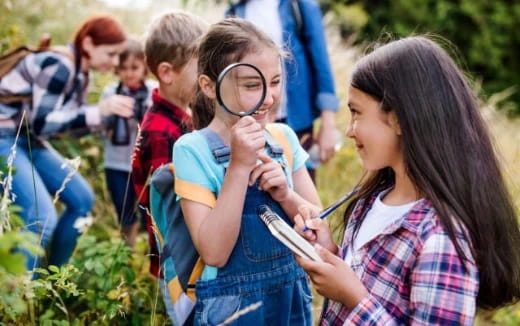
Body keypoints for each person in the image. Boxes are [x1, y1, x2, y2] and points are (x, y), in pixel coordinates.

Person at [293, 36, 520, 325]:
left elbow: (362, 295)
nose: (349, 130)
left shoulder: (440, 239)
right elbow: (374, 282)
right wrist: (329, 251)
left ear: (399, 118)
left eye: (356, 113)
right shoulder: (372, 200)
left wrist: (354, 299)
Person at [173, 18, 322, 325]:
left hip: (291, 302)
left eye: (276, 81)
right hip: (232, 311)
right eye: (253, 85)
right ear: (209, 87)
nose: (269, 98)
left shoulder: (283, 139)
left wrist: (286, 194)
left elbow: (320, 236)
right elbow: (214, 253)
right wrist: (239, 167)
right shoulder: (192, 150)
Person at [0, 14, 132, 270]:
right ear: (89, 43)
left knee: (82, 199)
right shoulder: (60, 65)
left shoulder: (82, 76)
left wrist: (105, 121)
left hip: (27, 138)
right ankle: (22, 298)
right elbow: (43, 123)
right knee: (41, 217)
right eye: (111, 54)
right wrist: (97, 111)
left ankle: (52, 276)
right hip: (4, 136)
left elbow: (63, 127)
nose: (114, 62)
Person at [130, 10, 206, 321]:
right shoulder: (162, 132)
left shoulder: (181, 117)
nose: (206, 76)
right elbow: (170, 211)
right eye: (198, 67)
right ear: (167, 72)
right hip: (179, 265)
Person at [227, 0, 340, 181]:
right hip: (252, 120)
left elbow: (321, 61)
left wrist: (328, 123)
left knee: (301, 187)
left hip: (297, 123)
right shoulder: (235, 11)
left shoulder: (300, 6)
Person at [100, 38, 156, 247]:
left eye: (134, 67)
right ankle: (127, 254)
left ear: (144, 67)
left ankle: (152, 257)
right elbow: (100, 128)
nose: (129, 73)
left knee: (150, 215)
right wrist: (112, 118)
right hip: (116, 163)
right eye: (123, 68)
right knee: (125, 213)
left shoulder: (152, 91)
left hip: (145, 165)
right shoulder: (111, 93)